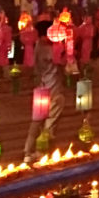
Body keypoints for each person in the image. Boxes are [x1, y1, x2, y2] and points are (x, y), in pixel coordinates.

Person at [23, 16, 64, 161]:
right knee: (50, 121)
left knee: (37, 119)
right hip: (52, 89)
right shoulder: (47, 48)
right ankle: (42, 150)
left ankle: (28, 150)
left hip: (40, 89)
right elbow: (61, 62)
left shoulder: (36, 47)